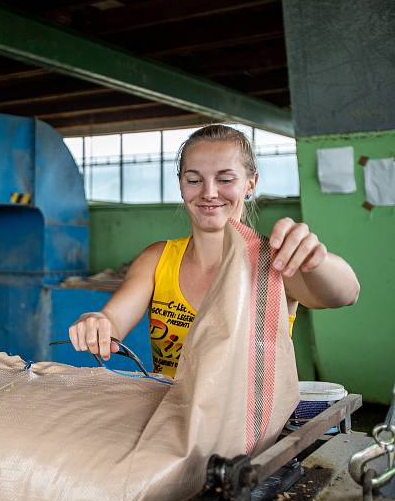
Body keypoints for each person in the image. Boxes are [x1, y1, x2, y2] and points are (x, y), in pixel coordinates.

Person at [68, 124, 360, 378]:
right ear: (182, 186)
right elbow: (114, 320)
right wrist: (96, 323)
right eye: (194, 180)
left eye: (225, 179)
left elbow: (345, 294)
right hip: (171, 421)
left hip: (251, 430)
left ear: (251, 184)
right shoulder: (157, 259)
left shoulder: (274, 261)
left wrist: (316, 259)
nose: (208, 192)